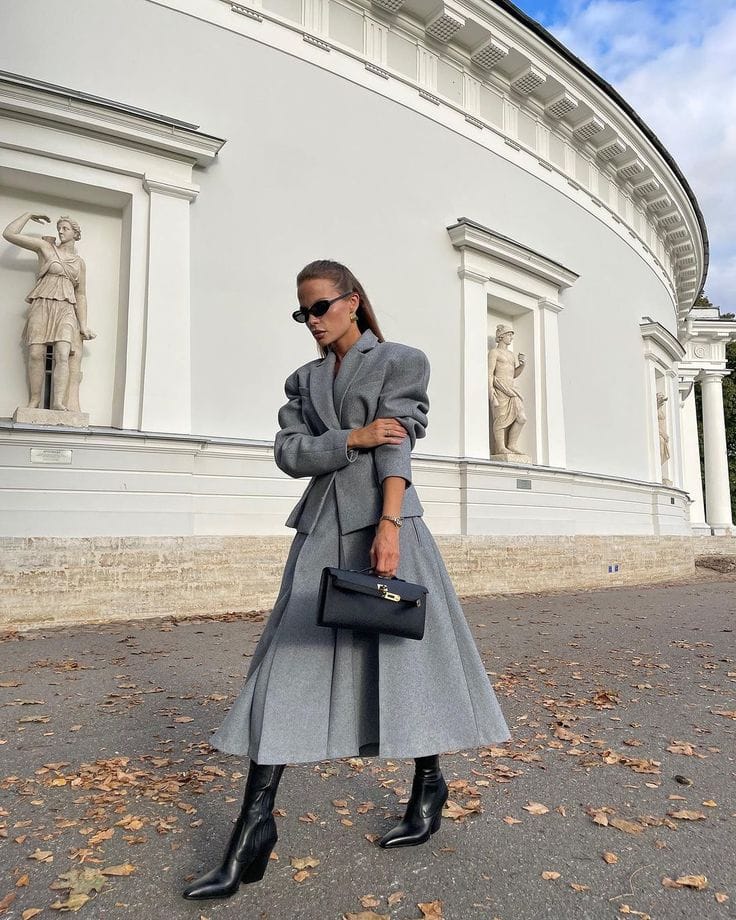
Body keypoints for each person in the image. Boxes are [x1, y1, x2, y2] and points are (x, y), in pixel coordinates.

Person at [182, 260, 511, 901]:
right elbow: (288, 453)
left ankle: (428, 783)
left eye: (320, 307)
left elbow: (397, 446)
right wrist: (351, 436)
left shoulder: (399, 361)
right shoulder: (303, 380)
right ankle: (253, 827)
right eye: (301, 312)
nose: (311, 321)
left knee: (403, 661)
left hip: (386, 525)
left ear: (352, 302)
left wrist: (389, 526)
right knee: (283, 668)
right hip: (321, 530)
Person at [2, 212, 95, 412]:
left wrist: (83, 325)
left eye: (65, 228)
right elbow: (9, 234)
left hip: (66, 308)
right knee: (36, 353)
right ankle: (35, 400)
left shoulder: (79, 263)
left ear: (75, 233)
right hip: (42, 303)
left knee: (62, 354)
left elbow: (81, 295)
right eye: (59, 228)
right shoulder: (46, 248)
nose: (60, 231)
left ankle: (58, 402)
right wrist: (28, 215)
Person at [488, 324, 527, 456]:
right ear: (501, 336)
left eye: (511, 335)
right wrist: (491, 390)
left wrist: (522, 365)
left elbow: (513, 374)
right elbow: (490, 373)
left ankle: (512, 444)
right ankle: (500, 447)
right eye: (509, 335)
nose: (511, 338)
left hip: (511, 390)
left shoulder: (511, 355)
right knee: (501, 418)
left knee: (521, 418)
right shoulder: (494, 353)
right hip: (500, 388)